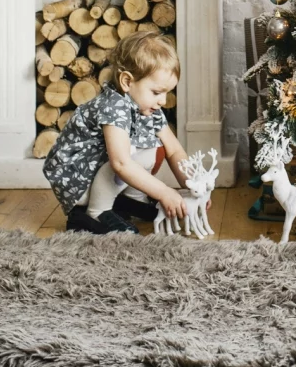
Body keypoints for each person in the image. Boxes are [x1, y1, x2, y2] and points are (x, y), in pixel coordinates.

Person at [43, 31, 192, 234]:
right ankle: (95, 212)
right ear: (127, 82)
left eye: (167, 93)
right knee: (128, 157)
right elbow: (120, 164)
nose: (163, 101)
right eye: (157, 92)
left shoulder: (148, 108)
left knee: (153, 149)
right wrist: (164, 191)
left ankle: (129, 200)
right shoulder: (113, 106)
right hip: (76, 177)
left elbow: (174, 150)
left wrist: (193, 184)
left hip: (97, 172)